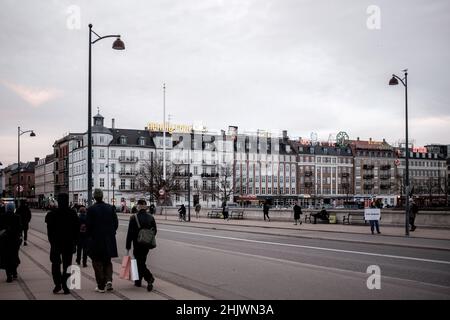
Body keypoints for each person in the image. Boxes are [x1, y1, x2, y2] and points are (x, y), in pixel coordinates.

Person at [45, 193, 79, 294]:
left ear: (58, 201)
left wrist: (51, 242)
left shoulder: (52, 214)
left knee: (55, 264)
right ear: (67, 201)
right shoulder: (72, 213)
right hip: (69, 243)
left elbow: (49, 231)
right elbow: (76, 230)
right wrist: (75, 243)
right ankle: (65, 285)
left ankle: (57, 284)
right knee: (67, 265)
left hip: (56, 243)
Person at [86, 189, 118, 293]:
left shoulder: (91, 209)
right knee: (107, 261)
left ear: (94, 197)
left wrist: (89, 237)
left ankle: (101, 285)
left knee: (97, 262)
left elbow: (88, 226)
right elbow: (115, 223)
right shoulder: (110, 208)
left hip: (96, 240)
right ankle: (108, 280)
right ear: (102, 196)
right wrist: (111, 232)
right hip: (109, 239)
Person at [126, 199, 157, 291]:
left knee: (138, 262)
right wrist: (148, 238)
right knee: (142, 261)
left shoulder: (134, 217)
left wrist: (128, 245)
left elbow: (130, 233)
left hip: (137, 243)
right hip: (147, 244)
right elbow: (154, 230)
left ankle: (149, 278)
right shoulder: (151, 217)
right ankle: (138, 281)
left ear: (138, 206)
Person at [0, 202, 22, 283]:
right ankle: (14, 272)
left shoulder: (2, 216)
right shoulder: (17, 217)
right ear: (13, 208)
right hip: (14, 240)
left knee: (6, 257)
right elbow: (20, 228)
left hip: (4, 240)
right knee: (14, 256)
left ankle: (9, 275)